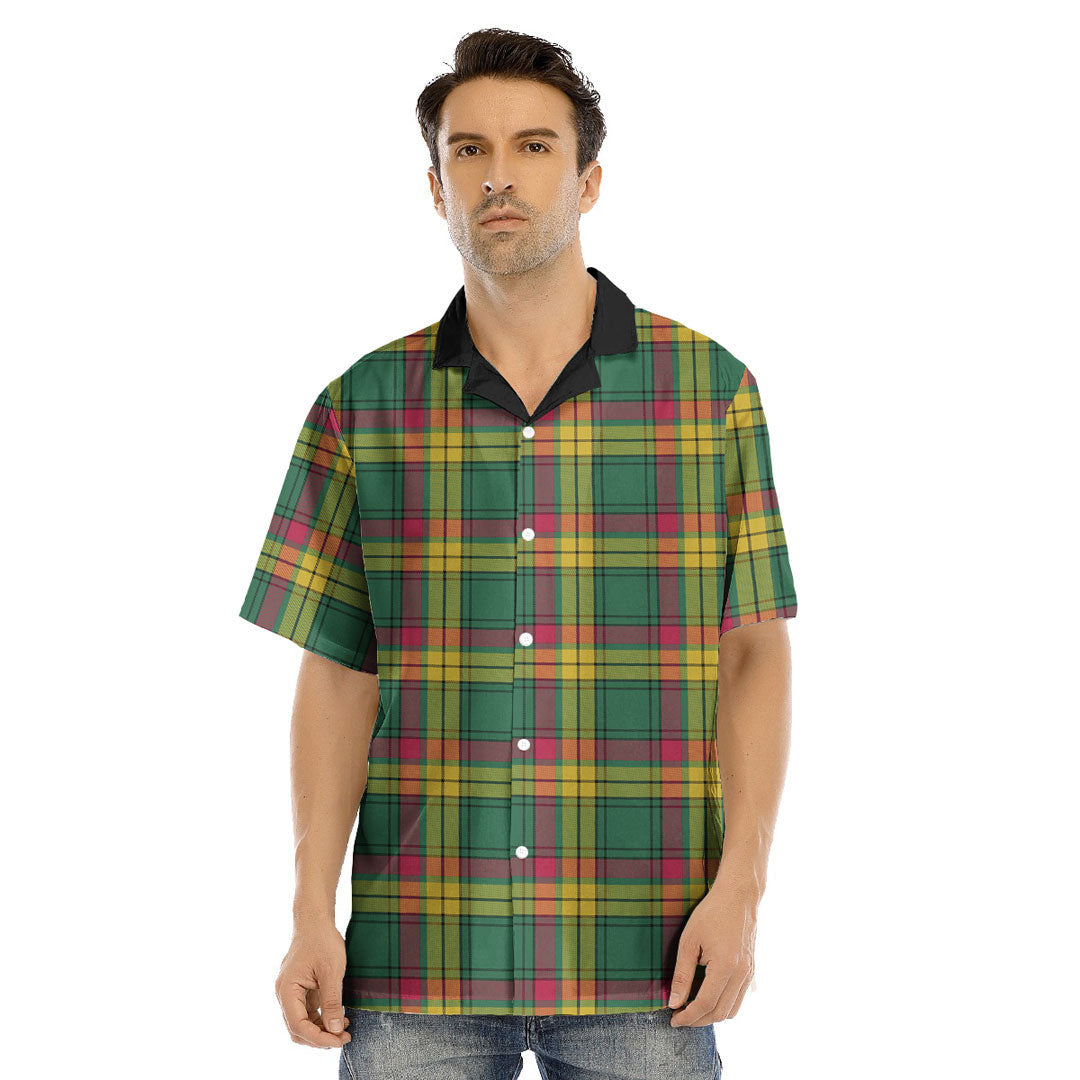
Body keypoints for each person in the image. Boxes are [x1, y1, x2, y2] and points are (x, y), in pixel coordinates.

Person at [238, 26, 797, 1080]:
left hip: (647, 958)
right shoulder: (361, 408)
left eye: (534, 146)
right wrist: (311, 911)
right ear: (436, 187)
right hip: (417, 965)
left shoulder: (709, 394)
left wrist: (744, 888)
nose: (499, 175)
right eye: (470, 150)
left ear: (588, 182)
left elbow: (752, 651)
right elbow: (340, 672)